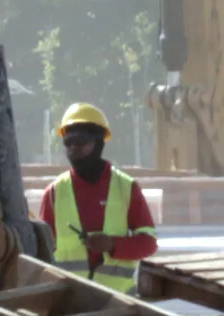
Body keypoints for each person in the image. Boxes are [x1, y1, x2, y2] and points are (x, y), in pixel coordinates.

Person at [42, 104, 158, 292]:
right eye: (68, 141)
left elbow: (148, 243)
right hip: (69, 303)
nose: (73, 148)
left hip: (119, 303)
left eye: (80, 141)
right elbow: (41, 254)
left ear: (99, 142)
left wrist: (113, 244)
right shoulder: (54, 193)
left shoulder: (126, 188)